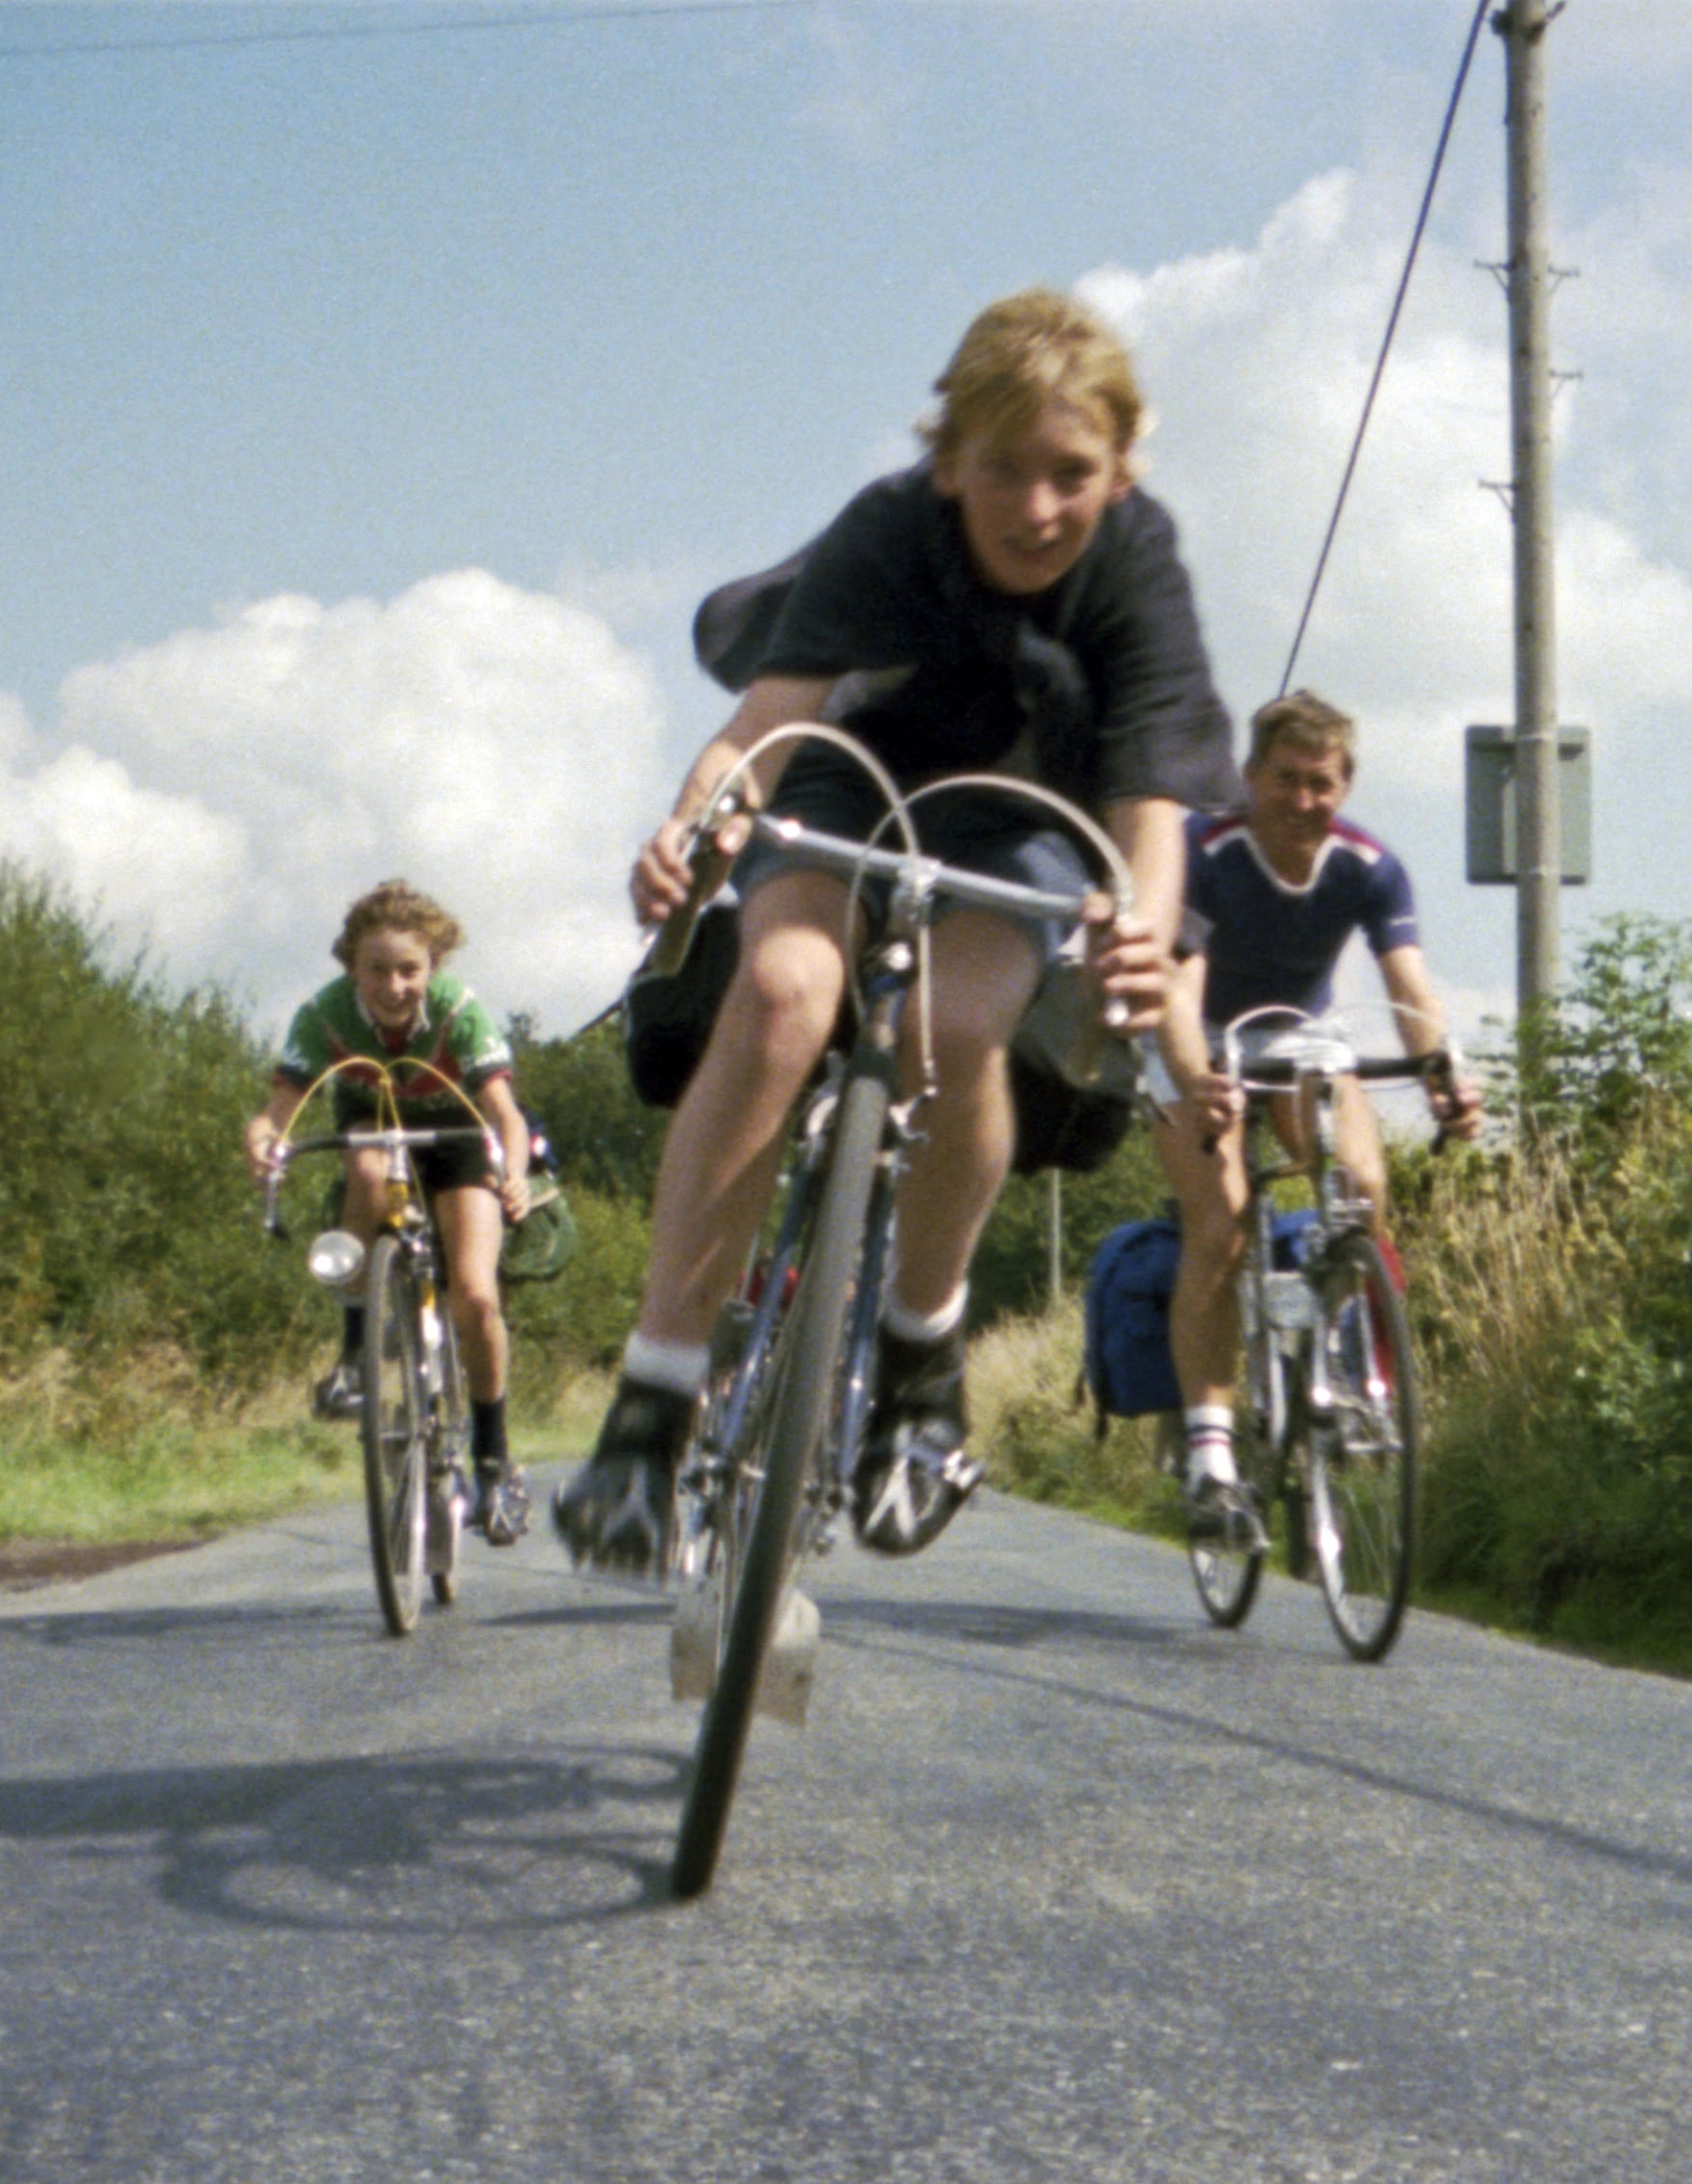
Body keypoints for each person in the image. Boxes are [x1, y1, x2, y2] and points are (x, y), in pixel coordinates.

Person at [557, 287, 1236, 1571]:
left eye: (1071, 474)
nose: (1037, 508)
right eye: (1000, 473)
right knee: (782, 993)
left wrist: (1141, 932)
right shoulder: (883, 531)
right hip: (851, 778)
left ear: (1122, 467)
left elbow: (1149, 811)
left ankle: (920, 1357)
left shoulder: (1136, 562)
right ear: (945, 463)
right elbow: (765, 721)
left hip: (1029, 801)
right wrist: (689, 824)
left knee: (956, 1020)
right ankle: (651, 1402)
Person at [1149, 689, 1486, 1548]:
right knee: (1221, 1225)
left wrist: (1444, 1072)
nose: (1304, 801)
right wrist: (1196, 1078)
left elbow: (1408, 986)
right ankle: (1210, 1451)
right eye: (1287, 780)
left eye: (1323, 783)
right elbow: (1178, 989)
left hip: (1298, 1035)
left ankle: (1339, 1356)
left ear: (1346, 785)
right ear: (1251, 777)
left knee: (1362, 1185)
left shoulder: (1369, 866)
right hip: (1195, 1038)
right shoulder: (1203, 851)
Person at [243, 881, 538, 1546]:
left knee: (474, 1296)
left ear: (433, 966)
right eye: (376, 969)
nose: (394, 985)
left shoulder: (459, 1012)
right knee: (369, 1172)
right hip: (372, 1121)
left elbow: (505, 1118)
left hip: (456, 1136)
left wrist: (513, 1172)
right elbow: (277, 1113)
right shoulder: (322, 1015)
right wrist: (265, 1143)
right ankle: (354, 1355)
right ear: (352, 967)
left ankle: (492, 1458)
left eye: (409, 969)